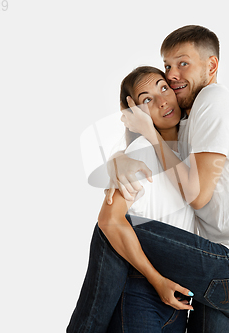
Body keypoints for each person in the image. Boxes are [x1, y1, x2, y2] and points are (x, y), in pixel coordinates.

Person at [70, 25, 229, 333]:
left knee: (113, 228)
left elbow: (196, 194)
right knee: (114, 223)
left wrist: (146, 137)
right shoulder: (185, 132)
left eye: (183, 64)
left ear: (211, 66)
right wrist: (120, 156)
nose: (172, 77)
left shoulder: (211, 100)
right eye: (168, 67)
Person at [68, 66, 193, 333]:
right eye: (147, 99)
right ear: (134, 115)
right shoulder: (142, 150)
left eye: (163, 87)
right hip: (143, 292)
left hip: (178, 300)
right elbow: (108, 222)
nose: (162, 101)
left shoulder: (191, 148)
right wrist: (157, 280)